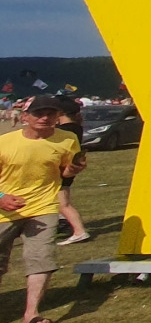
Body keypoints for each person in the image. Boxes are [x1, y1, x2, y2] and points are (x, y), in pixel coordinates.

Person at [0, 96, 85, 323]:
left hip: (43, 207)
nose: (45, 118)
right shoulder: (5, 142)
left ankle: (31, 315)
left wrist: (73, 169)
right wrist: (2, 197)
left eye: (50, 113)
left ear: (58, 116)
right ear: (25, 117)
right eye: (39, 113)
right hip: (4, 210)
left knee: (41, 258)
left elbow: (65, 171)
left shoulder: (67, 139)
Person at [51, 96, 89, 245]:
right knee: (60, 202)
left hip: (63, 170)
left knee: (63, 204)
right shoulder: (75, 127)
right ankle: (62, 223)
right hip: (68, 168)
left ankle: (79, 231)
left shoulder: (64, 130)